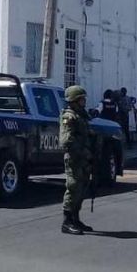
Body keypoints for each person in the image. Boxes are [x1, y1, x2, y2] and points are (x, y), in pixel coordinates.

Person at [59, 85, 95, 235]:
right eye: (81, 99)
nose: (84, 101)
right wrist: (83, 151)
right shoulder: (69, 117)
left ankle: (75, 218)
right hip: (75, 158)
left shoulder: (81, 115)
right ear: (74, 100)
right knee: (73, 187)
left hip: (84, 158)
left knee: (82, 187)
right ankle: (67, 222)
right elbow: (66, 141)